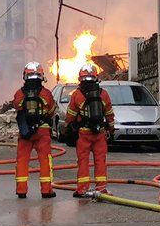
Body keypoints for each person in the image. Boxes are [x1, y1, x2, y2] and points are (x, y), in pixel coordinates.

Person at [65, 63, 115, 198]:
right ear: (96, 78)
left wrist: (68, 128)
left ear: (80, 79)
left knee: (83, 161)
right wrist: (111, 129)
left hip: (83, 133)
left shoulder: (77, 94)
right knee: (100, 161)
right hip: (99, 133)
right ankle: (102, 189)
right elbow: (109, 114)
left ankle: (82, 189)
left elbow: (70, 115)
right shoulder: (103, 94)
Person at [12, 62, 57, 199]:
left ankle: (21, 190)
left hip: (25, 132)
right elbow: (52, 110)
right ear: (41, 76)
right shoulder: (46, 93)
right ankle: (46, 190)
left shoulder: (19, 93)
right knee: (44, 160)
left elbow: (17, 106)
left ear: (25, 76)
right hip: (42, 131)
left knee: (22, 160)